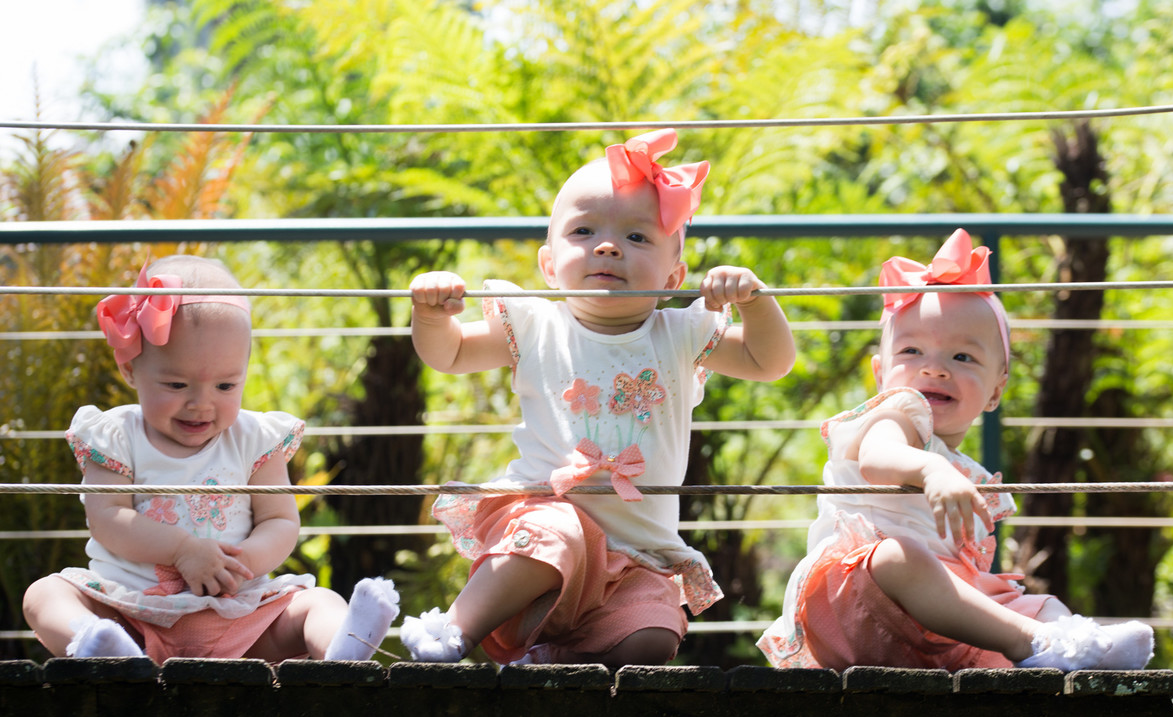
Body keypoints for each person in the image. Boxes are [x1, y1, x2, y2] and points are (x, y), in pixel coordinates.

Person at [402, 129, 796, 668]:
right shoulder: (535, 325)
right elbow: (448, 355)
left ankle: (554, 663)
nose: (607, 246)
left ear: (673, 276)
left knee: (651, 637)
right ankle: (452, 632)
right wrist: (432, 315)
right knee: (553, 534)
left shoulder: (679, 335)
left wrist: (756, 303)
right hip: (544, 527)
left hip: (639, 557)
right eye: (584, 231)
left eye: (637, 238)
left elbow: (768, 362)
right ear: (548, 264)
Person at [758, 229, 1154, 672]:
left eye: (963, 358)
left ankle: (1075, 644)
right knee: (899, 556)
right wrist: (930, 471)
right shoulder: (896, 415)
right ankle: (1034, 641)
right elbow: (876, 458)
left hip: (934, 619)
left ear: (995, 390)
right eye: (912, 351)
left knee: (1034, 600)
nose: (934, 368)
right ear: (880, 373)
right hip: (859, 603)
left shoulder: (965, 467)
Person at [23, 256, 399, 663]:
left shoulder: (255, 439)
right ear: (130, 368)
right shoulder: (116, 436)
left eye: (225, 384)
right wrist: (183, 550)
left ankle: (340, 652)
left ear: (244, 372)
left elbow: (280, 519)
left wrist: (244, 564)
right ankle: (99, 646)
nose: (201, 403)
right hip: (131, 615)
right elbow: (107, 517)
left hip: (240, 616)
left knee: (317, 602)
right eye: (176, 383)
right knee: (45, 594)